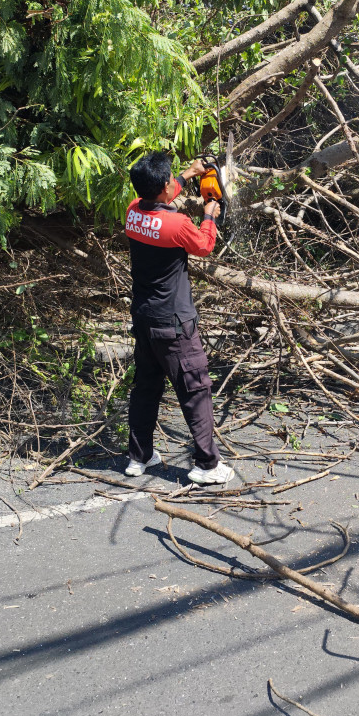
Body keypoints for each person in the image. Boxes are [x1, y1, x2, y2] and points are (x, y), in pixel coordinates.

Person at [123, 151, 234, 486]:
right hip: (173, 322)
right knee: (195, 389)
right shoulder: (176, 223)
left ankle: (139, 456)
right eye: (172, 177)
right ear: (161, 186)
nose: (175, 182)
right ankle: (207, 465)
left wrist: (191, 172)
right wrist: (210, 212)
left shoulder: (132, 210)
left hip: (144, 316)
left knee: (146, 387)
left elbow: (165, 193)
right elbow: (203, 245)